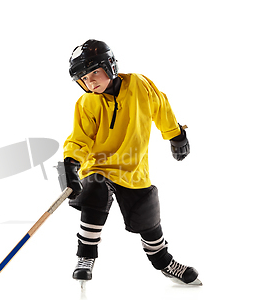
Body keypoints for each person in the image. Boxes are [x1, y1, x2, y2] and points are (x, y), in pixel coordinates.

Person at [60, 39, 201, 286]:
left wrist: (175, 135)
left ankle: (164, 262)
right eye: (84, 78)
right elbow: (80, 139)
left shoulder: (138, 85)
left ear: (110, 66)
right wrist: (71, 164)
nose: (91, 82)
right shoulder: (87, 103)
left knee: (147, 215)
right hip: (99, 166)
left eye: (95, 72)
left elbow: (161, 106)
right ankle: (85, 257)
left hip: (134, 169)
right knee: (94, 191)